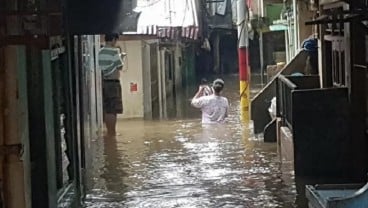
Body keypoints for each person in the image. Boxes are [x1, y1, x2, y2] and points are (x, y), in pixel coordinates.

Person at [99, 34, 126, 136]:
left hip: (103, 82)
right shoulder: (114, 51)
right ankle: (112, 132)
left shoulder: (100, 52)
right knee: (113, 109)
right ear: (113, 39)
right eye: (116, 40)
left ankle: (109, 132)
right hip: (113, 82)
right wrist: (121, 57)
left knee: (106, 108)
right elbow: (119, 67)